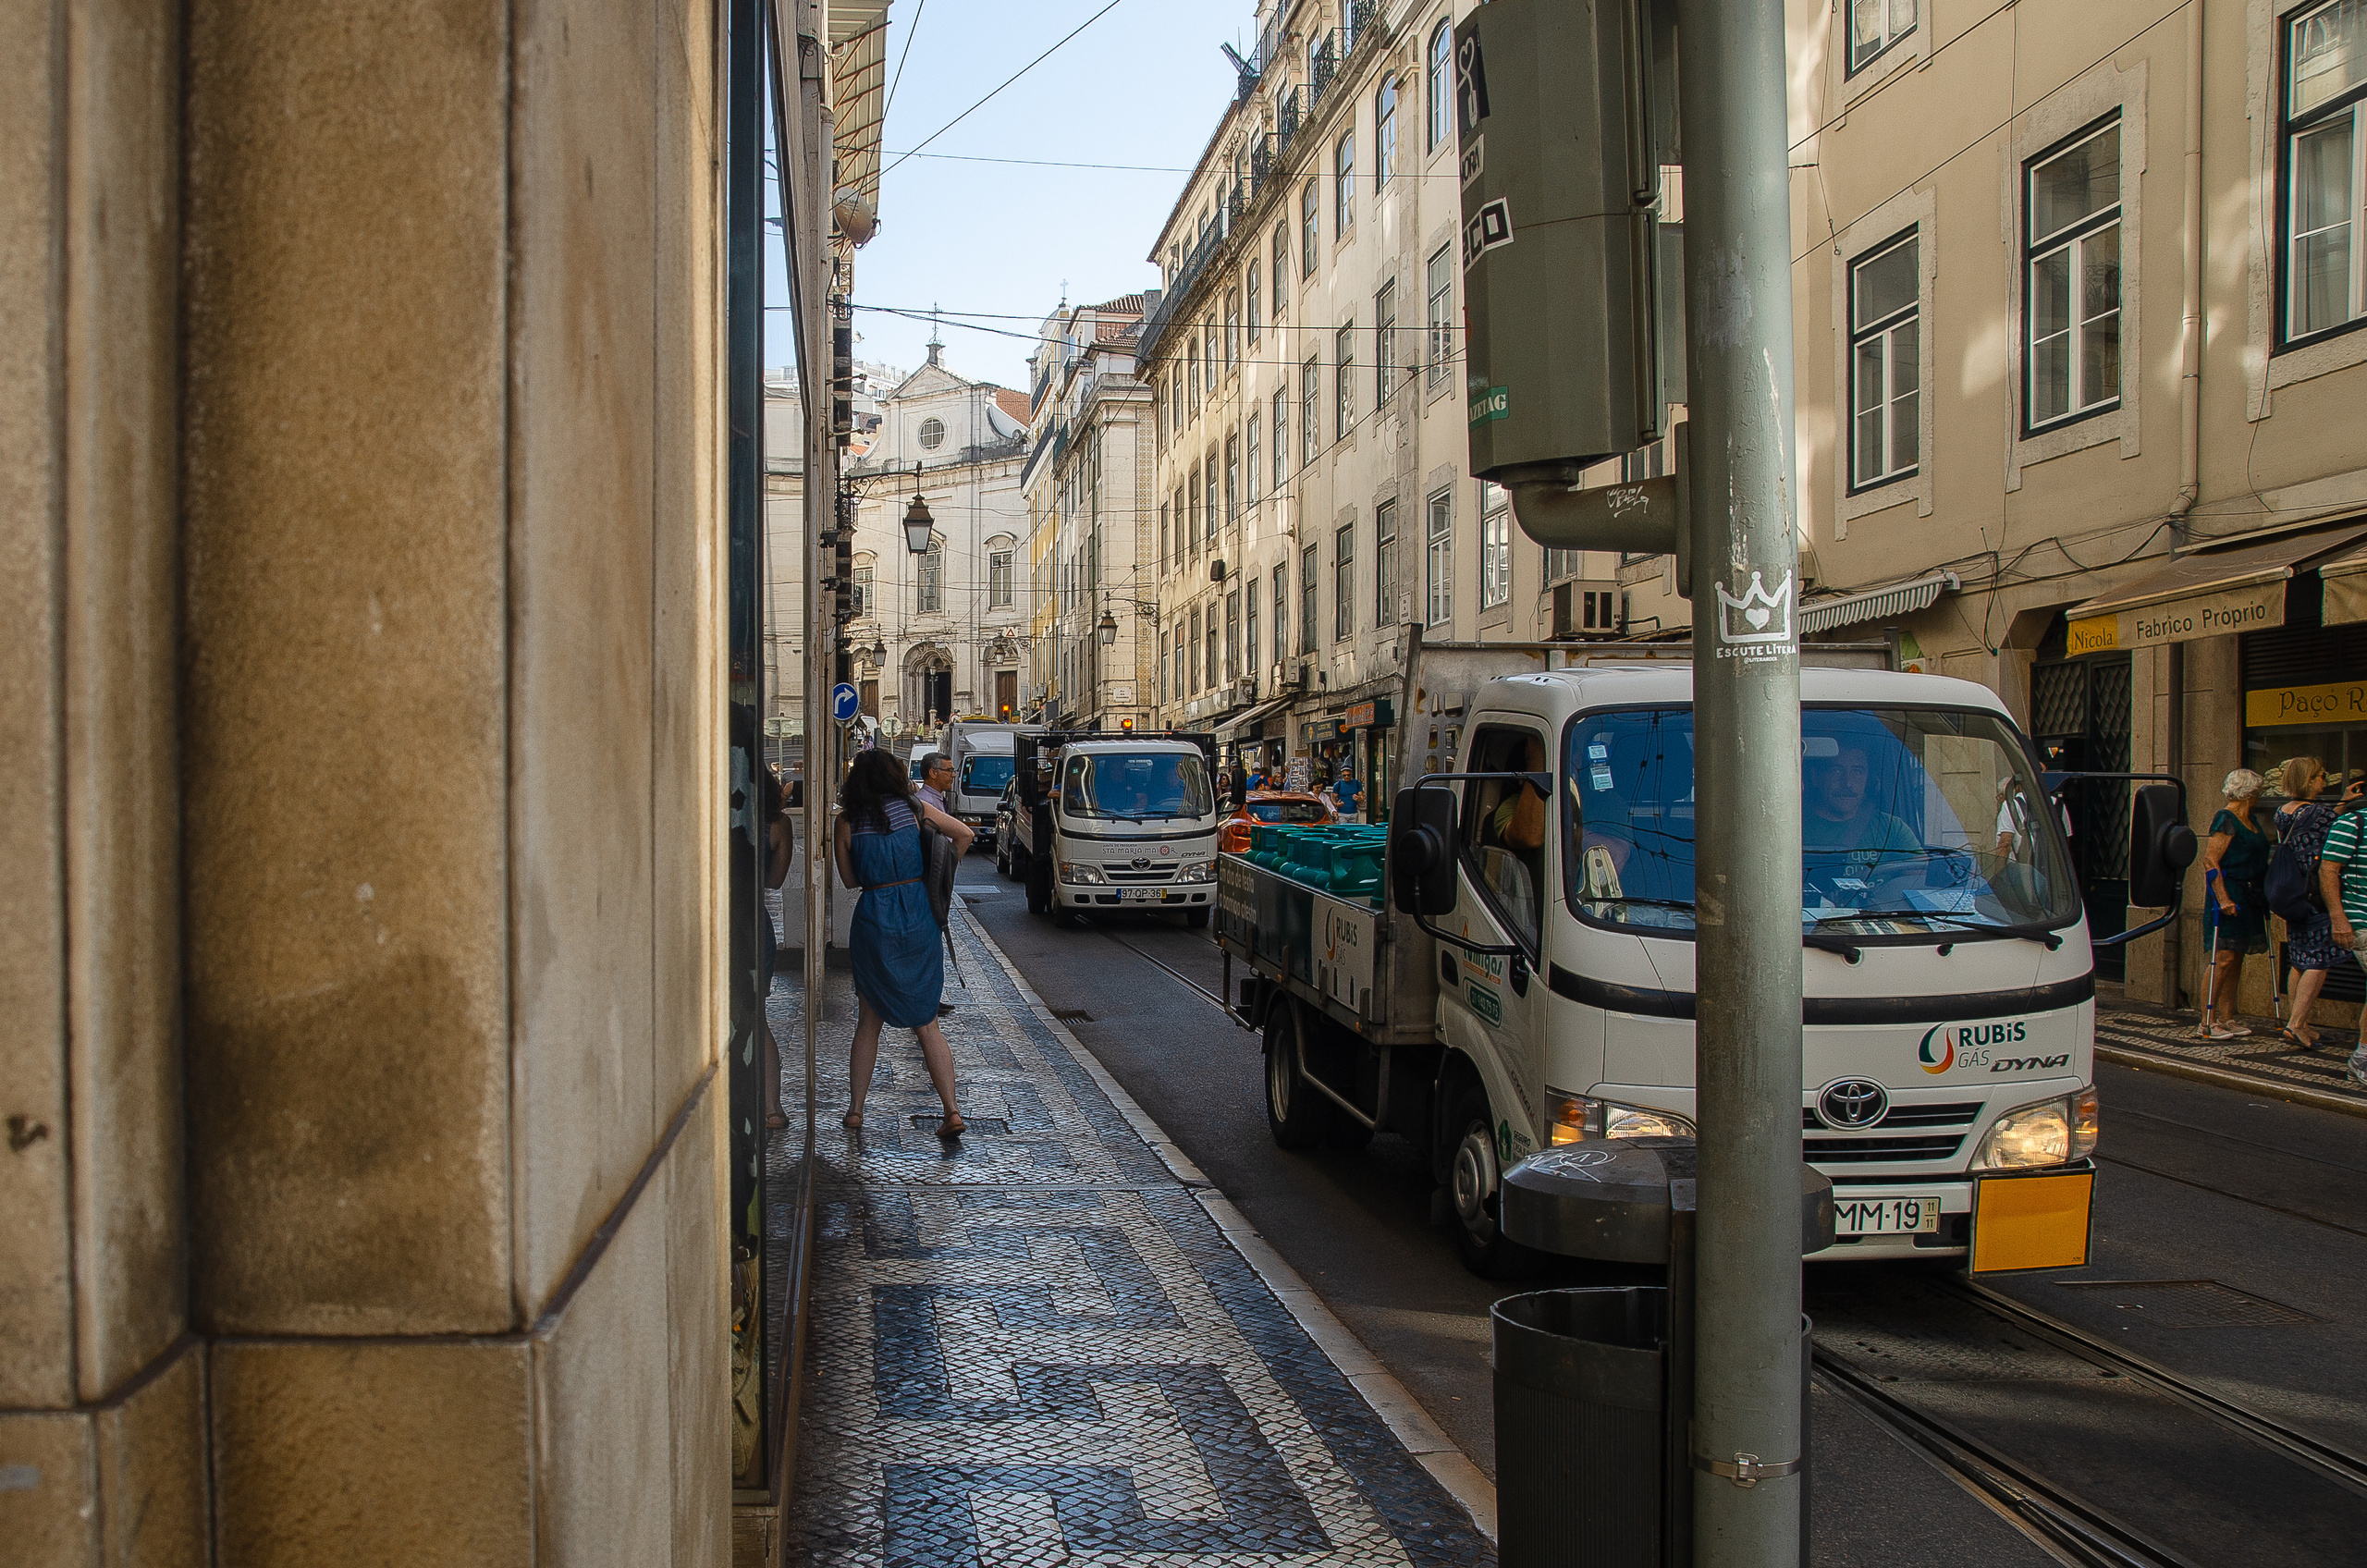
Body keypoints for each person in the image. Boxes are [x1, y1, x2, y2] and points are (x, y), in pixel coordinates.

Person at [833, 750, 974, 1134]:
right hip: (917, 914)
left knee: (868, 1021)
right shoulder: (914, 810)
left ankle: (856, 1110)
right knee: (927, 1023)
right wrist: (940, 874)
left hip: (874, 916)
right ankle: (952, 1112)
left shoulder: (845, 822)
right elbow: (964, 835)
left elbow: (848, 880)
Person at [2273, 758, 2356, 1049]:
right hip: (2315, 895)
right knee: (2319, 960)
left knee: (2299, 960)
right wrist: (2347, 804)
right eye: (2322, 776)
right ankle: (2297, 1025)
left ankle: (2297, 1022)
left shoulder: (2282, 812)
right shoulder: (2319, 813)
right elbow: (2338, 828)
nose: (2325, 781)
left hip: (2293, 894)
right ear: (2310, 780)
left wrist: (2342, 802)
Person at [2198, 768, 2272, 1039]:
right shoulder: (2226, 818)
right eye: (2258, 791)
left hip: (2249, 894)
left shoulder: (2250, 820)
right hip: (2229, 894)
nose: (2260, 795)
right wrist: (2222, 898)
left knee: (2236, 957)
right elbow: (2210, 860)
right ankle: (2207, 1020)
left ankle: (2227, 1017)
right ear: (2250, 792)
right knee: (2223, 957)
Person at [1802, 741, 1922, 882]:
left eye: (1857, 771)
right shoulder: (1793, 828)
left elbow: (1920, 880)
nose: (1847, 783)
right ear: (1816, 777)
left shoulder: (1892, 828)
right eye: (1836, 770)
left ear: (1868, 778)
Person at [2317, 781, 2367, 1084]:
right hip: (2361, 920)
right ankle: (2361, 1059)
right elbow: (2327, 870)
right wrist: (2339, 918)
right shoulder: (2352, 822)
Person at [917, 751, 954, 815]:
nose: (953, 775)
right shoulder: (928, 803)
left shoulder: (933, 800)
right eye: (949, 770)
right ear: (933, 773)